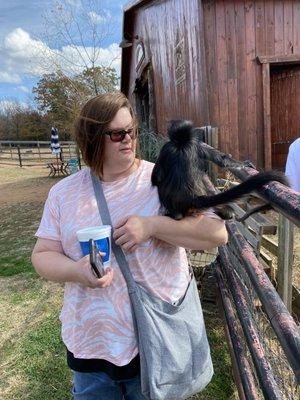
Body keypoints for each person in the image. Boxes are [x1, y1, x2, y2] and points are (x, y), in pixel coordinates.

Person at [31, 92, 228, 399]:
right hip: (91, 345)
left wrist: (153, 226)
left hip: (154, 340)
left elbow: (216, 233)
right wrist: (75, 270)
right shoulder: (63, 194)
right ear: (92, 139)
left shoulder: (160, 178)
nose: (128, 140)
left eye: (131, 130)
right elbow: (42, 255)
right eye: (117, 134)